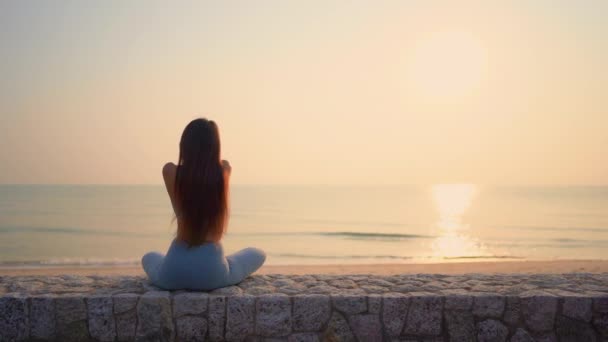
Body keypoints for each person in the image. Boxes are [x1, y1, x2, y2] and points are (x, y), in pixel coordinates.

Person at [142, 118, 266, 290]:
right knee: (258, 254)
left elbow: (181, 168)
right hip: (212, 270)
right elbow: (224, 163)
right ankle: (225, 263)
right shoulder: (224, 172)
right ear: (215, 148)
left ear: (184, 145)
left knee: (149, 257)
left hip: (172, 270)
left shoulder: (170, 172)